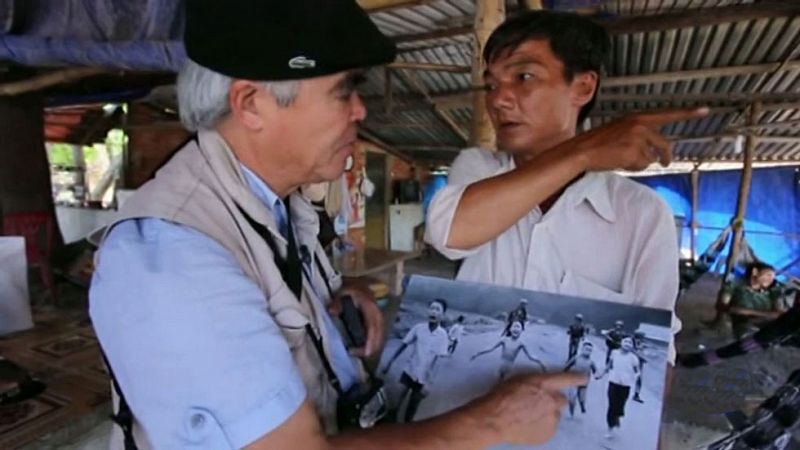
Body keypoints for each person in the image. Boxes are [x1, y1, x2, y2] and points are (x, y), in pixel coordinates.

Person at [88, 2, 585, 449]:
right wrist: (492, 423)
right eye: (342, 92)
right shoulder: (174, 258)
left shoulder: (277, 206)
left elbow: (268, 289)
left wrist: (331, 304)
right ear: (251, 104)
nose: (360, 110)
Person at [425, 10, 707, 364]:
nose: (498, 99)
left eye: (524, 77)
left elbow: (654, 358)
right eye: (492, 85)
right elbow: (449, 233)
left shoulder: (642, 215)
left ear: (584, 87)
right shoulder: (478, 169)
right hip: (463, 413)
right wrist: (583, 151)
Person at [381, 299, 450, 422]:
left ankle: (404, 436)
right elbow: (403, 345)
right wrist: (389, 363)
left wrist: (429, 384)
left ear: (442, 315)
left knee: (411, 411)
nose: (434, 311)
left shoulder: (443, 336)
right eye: (432, 308)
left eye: (437, 309)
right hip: (409, 370)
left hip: (424, 379)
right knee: (395, 404)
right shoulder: (418, 328)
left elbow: (439, 362)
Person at [724, 262, 785, 339]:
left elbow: (779, 312)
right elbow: (725, 307)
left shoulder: (773, 290)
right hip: (745, 326)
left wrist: (747, 312)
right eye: (768, 275)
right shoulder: (735, 285)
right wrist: (767, 314)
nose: (771, 279)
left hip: (767, 324)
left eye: (773, 277)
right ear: (755, 272)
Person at [472, 320, 547, 381]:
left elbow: (530, 356)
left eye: (518, 327)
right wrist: (477, 353)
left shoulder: (521, 343)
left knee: (505, 384)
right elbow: (490, 348)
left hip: (509, 367)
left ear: (521, 330)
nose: (516, 329)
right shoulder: (504, 340)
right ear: (510, 329)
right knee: (496, 382)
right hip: (500, 365)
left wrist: (541, 363)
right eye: (514, 326)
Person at [596, 337, 640, 439]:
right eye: (625, 341)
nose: (627, 344)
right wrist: (601, 374)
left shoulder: (634, 358)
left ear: (632, 346)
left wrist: (634, 378)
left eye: (630, 342)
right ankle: (610, 428)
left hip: (625, 386)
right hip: (613, 383)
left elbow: (638, 372)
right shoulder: (614, 353)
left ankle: (617, 417)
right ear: (621, 342)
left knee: (619, 407)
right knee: (611, 406)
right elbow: (609, 366)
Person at [563, 341, 598, 417]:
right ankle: (571, 411)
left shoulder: (591, 362)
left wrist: (596, 375)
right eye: (586, 349)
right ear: (582, 349)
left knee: (582, 399)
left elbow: (595, 371)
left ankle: (582, 406)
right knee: (572, 398)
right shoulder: (576, 358)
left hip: (584, 383)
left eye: (589, 350)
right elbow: (567, 366)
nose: (587, 351)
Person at [631, 331, 647, 403]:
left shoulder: (641, 343)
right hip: (632, 362)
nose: (643, 339)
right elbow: (632, 351)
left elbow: (641, 352)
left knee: (639, 379)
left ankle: (636, 394)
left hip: (639, 363)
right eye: (641, 337)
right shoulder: (631, 342)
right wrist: (641, 357)